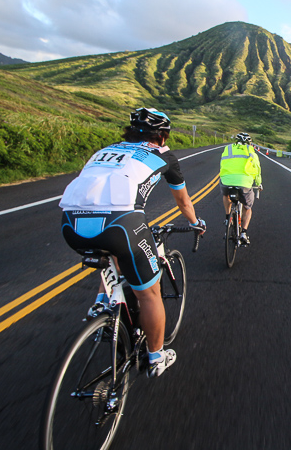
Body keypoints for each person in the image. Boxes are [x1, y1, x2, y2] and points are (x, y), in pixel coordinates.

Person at [59, 107, 206, 378]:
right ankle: (155, 358)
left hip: (70, 224)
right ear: (162, 136)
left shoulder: (103, 151)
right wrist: (196, 223)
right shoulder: (164, 155)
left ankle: (105, 301)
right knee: (149, 293)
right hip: (121, 225)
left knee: (111, 253)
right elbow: (183, 201)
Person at [220, 132, 262, 245]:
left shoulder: (228, 148)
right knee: (247, 207)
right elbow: (256, 168)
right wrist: (259, 183)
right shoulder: (250, 151)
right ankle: (243, 233)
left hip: (226, 179)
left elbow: (223, 163)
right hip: (244, 182)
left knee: (225, 195)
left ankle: (227, 217)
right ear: (249, 143)